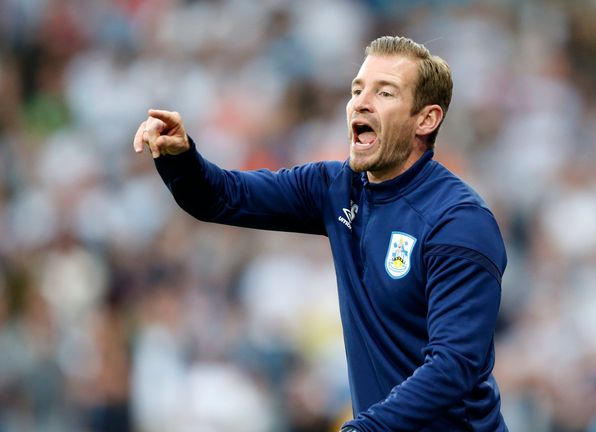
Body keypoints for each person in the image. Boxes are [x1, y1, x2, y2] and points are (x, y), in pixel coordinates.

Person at [133, 36, 508, 432]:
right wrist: (180, 157)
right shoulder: (337, 187)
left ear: (426, 119)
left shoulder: (459, 222)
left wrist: (364, 428)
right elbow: (222, 197)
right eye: (357, 89)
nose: (361, 102)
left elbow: (453, 367)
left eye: (385, 92)